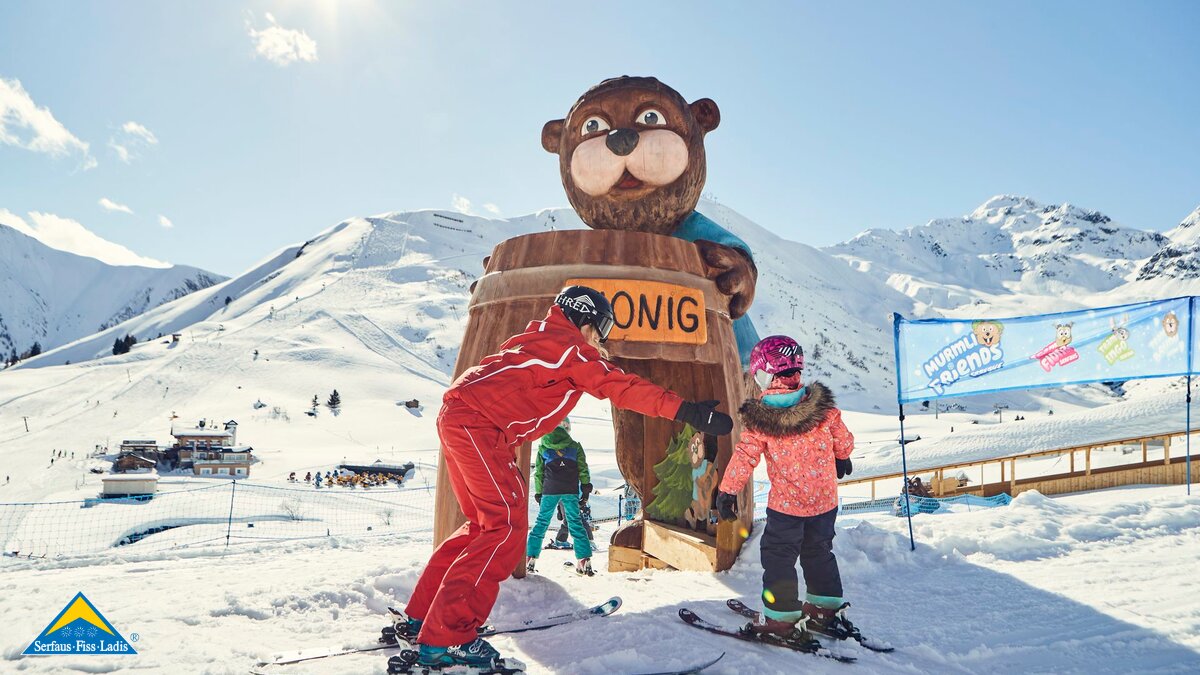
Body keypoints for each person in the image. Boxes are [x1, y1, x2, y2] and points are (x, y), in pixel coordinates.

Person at [394, 286, 734, 670]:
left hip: (467, 422)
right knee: (503, 528)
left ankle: (424, 618)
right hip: (479, 427)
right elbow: (621, 386)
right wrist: (687, 411)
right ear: (585, 319)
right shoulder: (571, 350)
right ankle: (448, 637)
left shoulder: (539, 337)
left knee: (484, 526)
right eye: (601, 328)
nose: (601, 339)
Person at [715, 335, 859, 647]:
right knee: (819, 552)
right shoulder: (823, 409)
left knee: (779, 557)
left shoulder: (762, 420)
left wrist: (727, 491)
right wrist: (842, 455)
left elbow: (745, 457)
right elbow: (844, 441)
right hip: (824, 503)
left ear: (765, 374)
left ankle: (780, 617)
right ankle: (825, 610)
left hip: (787, 508)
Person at [525, 417, 594, 575]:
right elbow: (583, 469)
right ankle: (584, 560)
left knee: (541, 523)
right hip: (570, 490)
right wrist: (585, 489)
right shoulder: (575, 447)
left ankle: (530, 557)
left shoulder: (543, 448)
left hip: (550, 490)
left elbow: (539, 474)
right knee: (575, 523)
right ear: (566, 428)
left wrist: (538, 492)